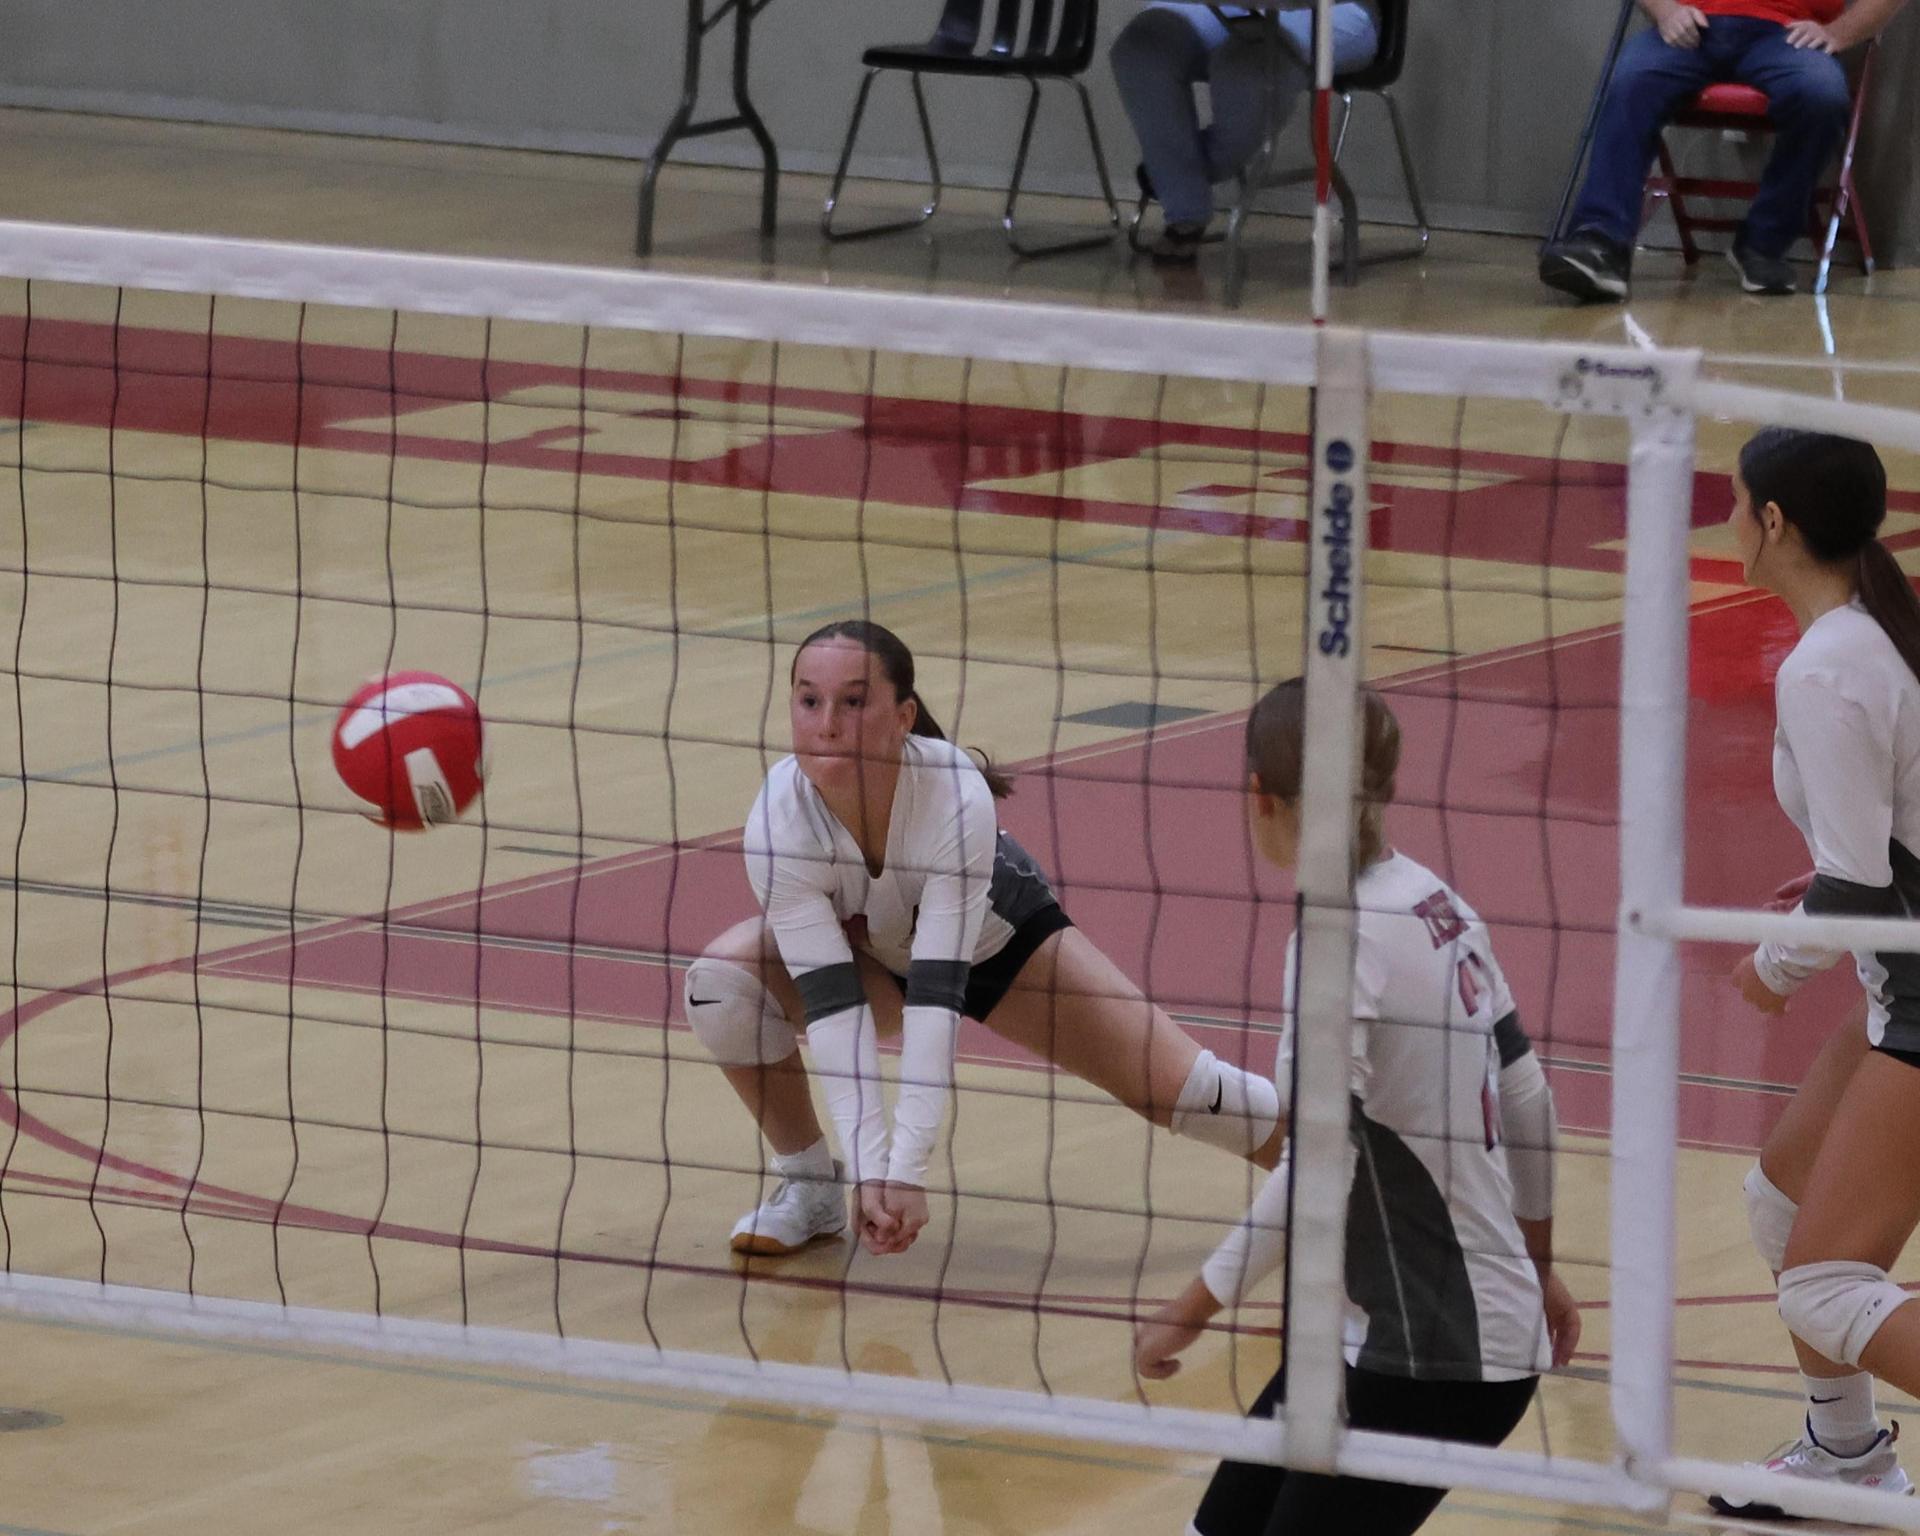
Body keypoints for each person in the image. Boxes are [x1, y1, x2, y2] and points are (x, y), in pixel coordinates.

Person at [682, 619, 1287, 1257]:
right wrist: (870, 1172)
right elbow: (835, 1011)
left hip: (1005, 949)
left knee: (1188, 1094)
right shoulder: (778, 820)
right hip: (876, 964)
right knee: (721, 987)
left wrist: (905, 1170)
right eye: (809, 701)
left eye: (853, 702)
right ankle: (811, 1190)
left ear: (903, 716)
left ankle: (1341, 1173)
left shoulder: (953, 795)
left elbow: (936, 998)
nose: (826, 724)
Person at [1133, 679, 1580, 1535]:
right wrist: (1536, 1262)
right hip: (1390, 1338)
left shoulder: (1338, 940)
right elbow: (1528, 1098)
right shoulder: (1436, 901)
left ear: (1259, 795)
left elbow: (1315, 1170)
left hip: (1433, 1360)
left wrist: (1186, 1312)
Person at [1714, 428, 1917, 1515]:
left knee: (1825, 1284)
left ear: (1775, 522)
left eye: (1734, 502)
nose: (1725, 522)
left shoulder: (1830, 664)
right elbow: (1875, 851)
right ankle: (1847, 1458)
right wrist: (1838, 889)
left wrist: (1774, 968)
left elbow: (1857, 883)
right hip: (1900, 973)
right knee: (1782, 1208)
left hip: (1915, 985)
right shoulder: (1867, 635)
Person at [1538, 0, 1906, 302]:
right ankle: (1602, 242)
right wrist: (1665, 10)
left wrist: (1839, 33)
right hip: (1692, 26)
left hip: (1788, 35)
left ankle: (1762, 244)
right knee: (1633, 79)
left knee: (1821, 96)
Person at [1109, 1, 1380, 264]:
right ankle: (1182, 204)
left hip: (1334, 9)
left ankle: (1174, 181)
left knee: (1248, 68)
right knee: (1144, 47)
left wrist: (1171, 170)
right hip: (1218, 7)